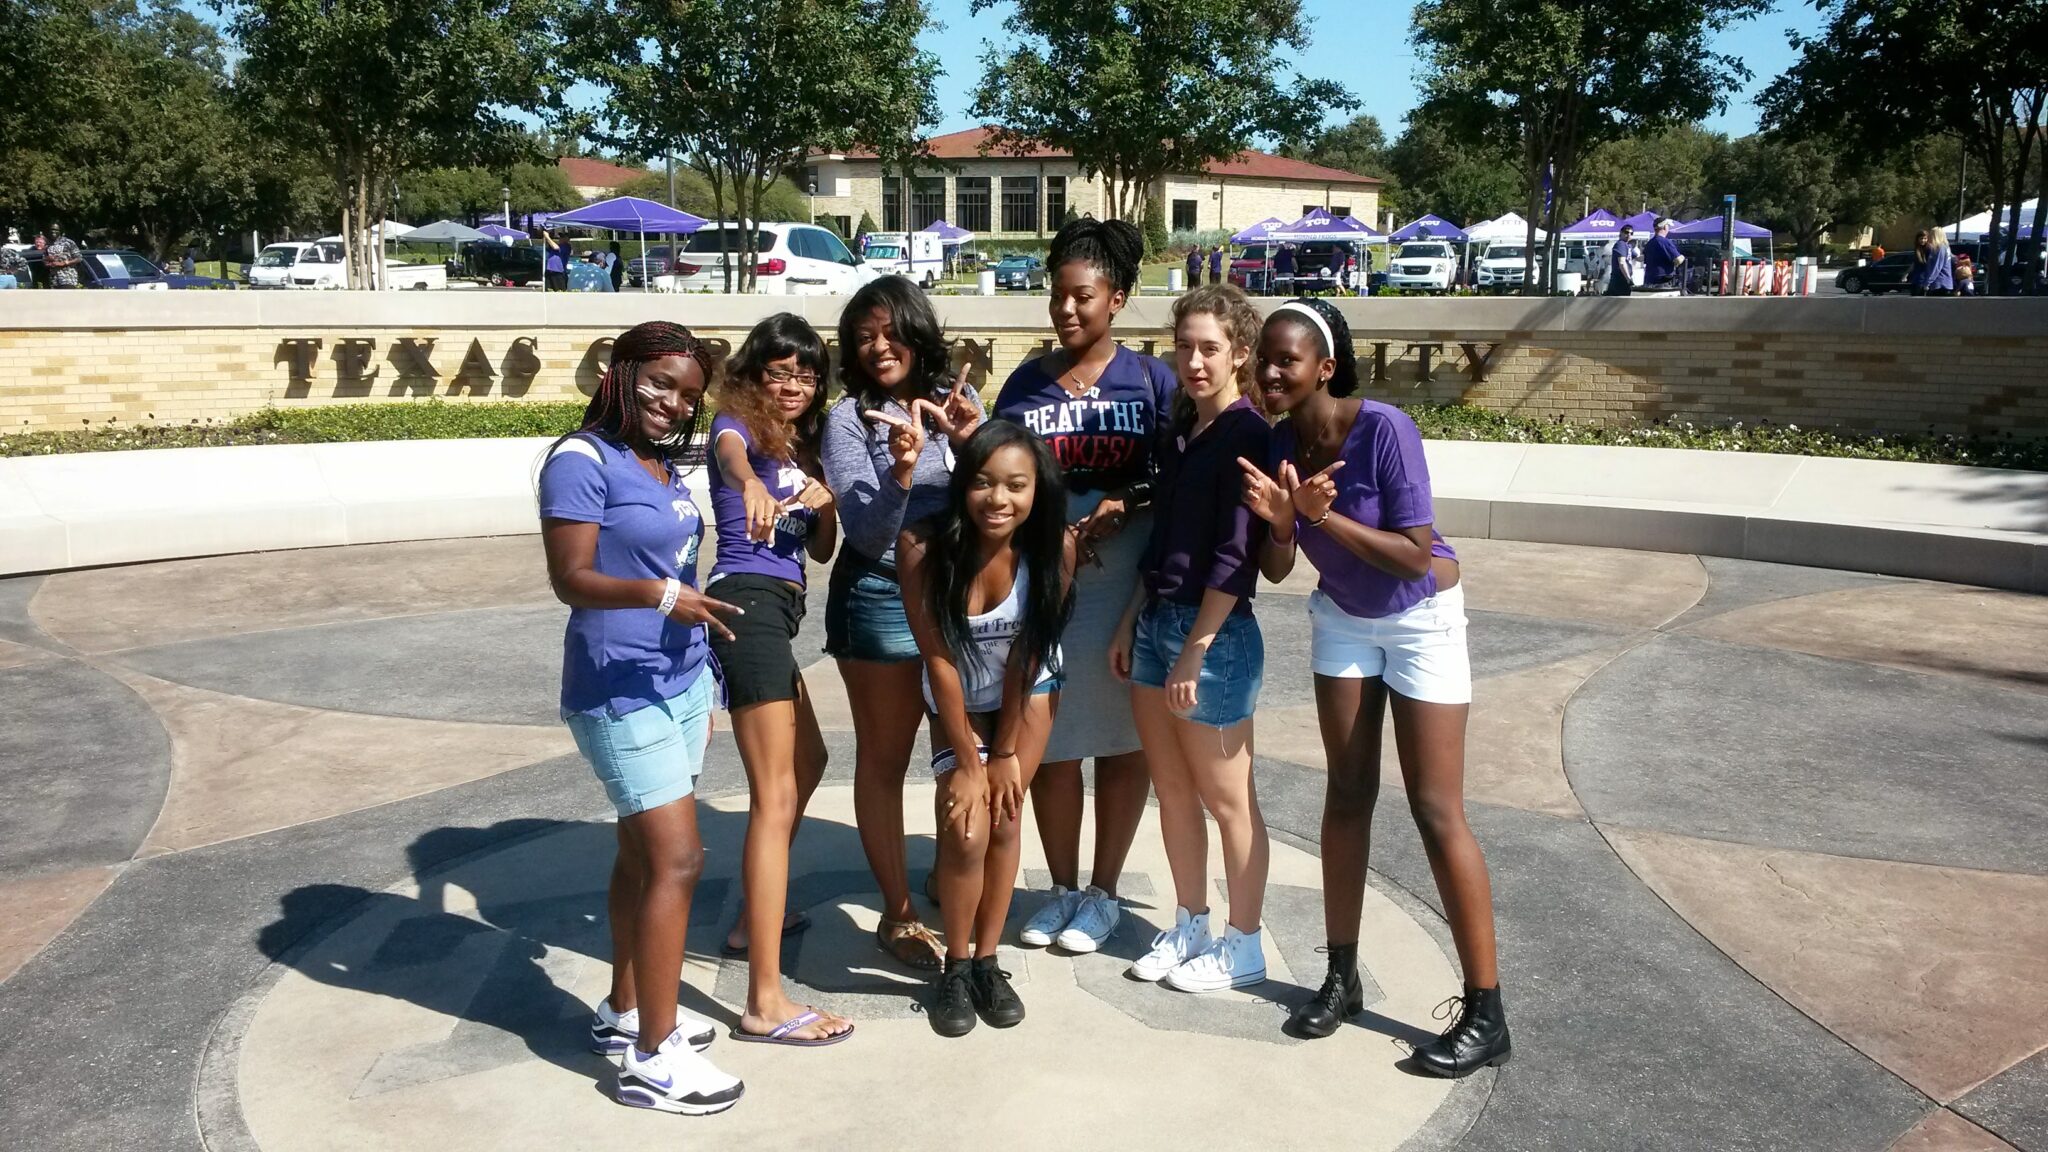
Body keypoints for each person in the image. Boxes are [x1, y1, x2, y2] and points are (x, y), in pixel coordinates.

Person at [1237, 297, 1512, 1075]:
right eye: (1264, 359)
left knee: (1434, 807)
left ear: (1326, 367)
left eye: (1286, 359)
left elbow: (1416, 556)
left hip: (1422, 618)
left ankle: (1487, 1011)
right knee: (1347, 794)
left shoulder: (1385, 427)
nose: (1270, 371)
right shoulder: (1279, 440)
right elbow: (1278, 564)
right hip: (1345, 622)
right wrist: (1287, 523)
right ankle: (1341, 977)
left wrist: (1319, 521)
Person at [536, 320, 745, 1115]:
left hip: (680, 681)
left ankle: (626, 1011)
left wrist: (706, 682)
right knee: (678, 861)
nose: (672, 403)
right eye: (659, 382)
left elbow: (676, 569)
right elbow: (572, 577)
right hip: (618, 691)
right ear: (618, 373)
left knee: (636, 853)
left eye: (688, 394)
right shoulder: (579, 460)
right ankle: (654, 1060)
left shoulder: (657, 462)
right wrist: (662, 597)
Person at [994, 217, 1171, 955]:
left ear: (1118, 299)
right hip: (1047, 584)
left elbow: (1179, 476)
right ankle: (1061, 888)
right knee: (1054, 736)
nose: (1067, 311)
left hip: (1127, 586)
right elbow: (997, 475)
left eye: (1083, 297)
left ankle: (1103, 892)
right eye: (1057, 297)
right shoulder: (1026, 383)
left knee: (1124, 740)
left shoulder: (1152, 380)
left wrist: (1123, 505)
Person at [820, 275, 985, 971]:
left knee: (960, 749)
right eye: (864, 338)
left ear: (918, 333)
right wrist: (901, 472)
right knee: (886, 761)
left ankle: (949, 878)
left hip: (954, 599)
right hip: (881, 597)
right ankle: (899, 912)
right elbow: (861, 533)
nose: (879, 347)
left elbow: (992, 497)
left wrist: (971, 441)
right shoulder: (847, 420)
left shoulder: (959, 399)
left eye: (890, 332)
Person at [1111, 283, 1273, 994]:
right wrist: (1132, 621)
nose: (1195, 361)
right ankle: (1191, 923)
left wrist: (1196, 646)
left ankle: (1245, 943)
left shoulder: (1249, 437)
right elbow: (1167, 546)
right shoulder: (1182, 434)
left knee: (1228, 797)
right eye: (1185, 347)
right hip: (1157, 625)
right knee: (1173, 793)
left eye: (1210, 348)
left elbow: (1236, 560)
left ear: (1240, 353)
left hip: (1214, 635)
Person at [704, 313, 854, 1048]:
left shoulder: (801, 448)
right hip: (746, 604)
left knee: (811, 760)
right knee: (776, 793)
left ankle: (750, 918)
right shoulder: (737, 426)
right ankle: (764, 1002)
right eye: (780, 371)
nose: (793, 384)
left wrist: (821, 502)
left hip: (777, 610)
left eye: (806, 373)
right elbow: (731, 456)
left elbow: (820, 549)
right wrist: (750, 487)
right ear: (755, 373)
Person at [898, 420, 1077, 1036]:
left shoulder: (1054, 549)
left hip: (1026, 694)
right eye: (983, 483)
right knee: (964, 830)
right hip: (957, 699)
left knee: (1002, 819)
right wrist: (970, 762)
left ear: (1036, 492)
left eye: (1016, 486)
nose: (998, 500)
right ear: (961, 484)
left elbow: (1028, 655)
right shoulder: (922, 547)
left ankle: (987, 961)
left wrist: (1002, 755)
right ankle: (954, 963)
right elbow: (939, 659)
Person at [1642, 219, 1685, 289]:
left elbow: (1645, 259)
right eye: (1668, 226)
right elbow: (1678, 260)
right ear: (1665, 227)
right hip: (1662, 281)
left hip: (1649, 280)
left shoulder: (1649, 243)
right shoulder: (1664, 242)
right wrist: (1682, 257)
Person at [1604, 224, 1637, 296]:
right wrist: (1628, 279)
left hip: (1623, 280)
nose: (1629, 235)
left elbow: (1637, 258)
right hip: (1619, 280)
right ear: (1621, 233)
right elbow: (1622, 262)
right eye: (1626, 232)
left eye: (1631, 233)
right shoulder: (1620, 244)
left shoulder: (1628, 246)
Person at [1920, 227, 1955, 296]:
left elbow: (1936, 267)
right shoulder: (1945, 247)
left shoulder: (1940, 248)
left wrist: (1928, 282)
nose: (1929, 236)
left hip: (1939, 283)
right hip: (1945, 283)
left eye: (1931, 234)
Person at [541, 227, 567, 292]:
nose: (560, 239)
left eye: (562, 237)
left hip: (558, 272)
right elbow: (549, 245)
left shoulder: (566, 246)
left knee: (559, 291)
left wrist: (547, 237)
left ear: (567, 239)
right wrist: (546, 237)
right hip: (550, 271)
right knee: (548, 290)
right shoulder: (556, 245)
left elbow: (555, 247)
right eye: (560, 237)